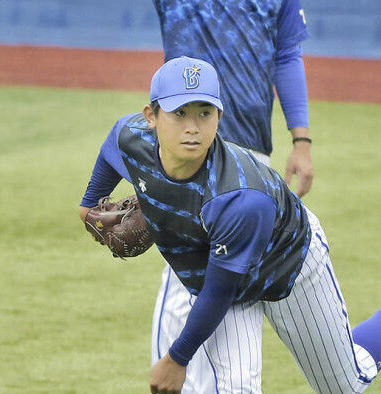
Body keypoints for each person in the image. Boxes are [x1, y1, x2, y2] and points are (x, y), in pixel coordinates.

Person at [80, 56, 381, 393]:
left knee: (346, 384)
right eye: (180, 113)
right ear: (151, 116)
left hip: (288, 264)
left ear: (219, 117)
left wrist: (177, 359)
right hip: (224, 275)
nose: (192, 127)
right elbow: (113, 146)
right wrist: (87, 206)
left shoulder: (239, 197)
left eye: (204, 113)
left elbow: (220, 291)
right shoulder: (132, 138)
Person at [150, 1, 314, 389]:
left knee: (235, 292)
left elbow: (287, 53)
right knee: (185, 285)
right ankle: (173, 380)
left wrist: (301, 139)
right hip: (188, 154)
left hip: (251, 159)